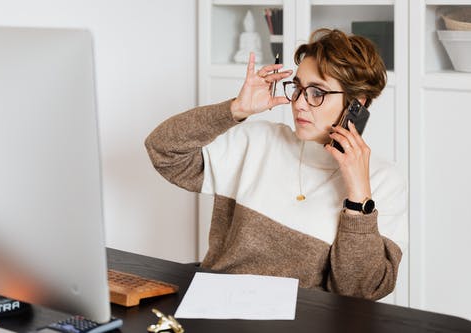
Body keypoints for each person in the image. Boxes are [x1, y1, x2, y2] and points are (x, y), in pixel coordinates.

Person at [145, 29, 407, 300]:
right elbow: (163, 150)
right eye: (298, 88)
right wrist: (235, 110)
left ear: (357, 104)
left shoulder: (383, 180)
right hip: (216, 310)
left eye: (317, 92)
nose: (300, 103)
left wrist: (357, 199)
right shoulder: (257, 140)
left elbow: (361, 291)